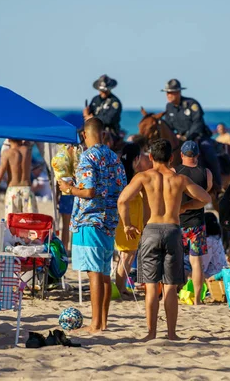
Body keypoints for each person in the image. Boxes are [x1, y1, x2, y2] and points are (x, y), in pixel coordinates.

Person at [117, 139, 211, 341]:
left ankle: (151, 333)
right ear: (171, 158)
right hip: (173, 230)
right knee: (170, 286)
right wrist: (185, 207)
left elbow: (122, 200)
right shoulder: (179, 179)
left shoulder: (143, 177)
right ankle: (171, 334)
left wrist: (127, 224)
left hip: (150, 230)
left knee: (151, 286)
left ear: (150, 157)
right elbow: (206, 198)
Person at [58, 118, 126, 334]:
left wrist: (69, 189)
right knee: (104, 273)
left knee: (94, 274)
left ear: (85, 135)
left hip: (90, 220)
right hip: (109, 221)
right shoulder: (114, 158)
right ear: (103, 134)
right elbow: (121, 190)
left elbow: (89, 192)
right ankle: (103, 322)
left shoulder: (88, 158)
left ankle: (95, 324)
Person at [161, 79, 222, 190]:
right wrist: (175, 136)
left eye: (171, 92)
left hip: (199, 136)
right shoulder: (169, 107)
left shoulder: (191, 104)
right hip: (180, 139)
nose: (168, 95)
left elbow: (197, 122)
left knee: (209, 152)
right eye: (167, 93)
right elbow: (169, 126)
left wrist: (188, 136)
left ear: (178, 92)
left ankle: (218, 186)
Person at [176, 141, 213, 305]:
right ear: (197, 155)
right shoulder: (206, 173)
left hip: (177, 222)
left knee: (172, 259)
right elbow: (207, 192)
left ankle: (171, 294)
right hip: (197, 223)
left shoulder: (175, 172)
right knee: (196, 262)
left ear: (181, 155)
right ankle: (197, 300)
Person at [114, 143, 144, 296]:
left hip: (125, 218)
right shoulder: (133, 176)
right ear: (137, 158)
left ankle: (122, 286)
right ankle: (120, 288)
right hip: (129, 220)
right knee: (126, 255)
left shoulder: (121, 172)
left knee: (127, 254)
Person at [0, 139, 38, 218]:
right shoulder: (27, 150)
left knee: (12, 223)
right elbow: (29, 142)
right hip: (27, 190)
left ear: (8, 140)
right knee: (30, 222)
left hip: (13, 190)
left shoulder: (7, 153)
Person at [84, 75, 122, 139]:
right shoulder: (95, 99)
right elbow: (90, 113)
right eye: (102, 91)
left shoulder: (115, 102)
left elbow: (109, 119)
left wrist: (93, 118)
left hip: (109, 131)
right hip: (94, 129)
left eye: (105, 91)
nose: (103, 93)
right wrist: (86, 114)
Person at [203, 212, 228, 279]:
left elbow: (203, 265)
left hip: (213, 276)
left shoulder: (207, 241)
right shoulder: (217, 238)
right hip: (222, 272)